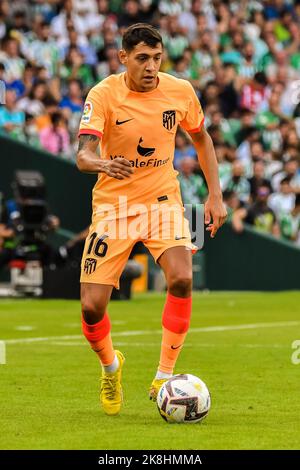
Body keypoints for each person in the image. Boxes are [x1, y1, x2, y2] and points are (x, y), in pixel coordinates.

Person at [76, 23, 227, 416]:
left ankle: (164, 376)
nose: (151, 66)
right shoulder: (104, 94)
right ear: (123, 57)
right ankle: (111, 367)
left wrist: (215, 196)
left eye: (157, 58)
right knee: (92, 307)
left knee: (181, 277)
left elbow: (201, 139)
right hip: (114, 206)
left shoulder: (179, 91)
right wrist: (105, 163)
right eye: (142, 58)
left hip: (163, 201)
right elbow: (83, 155)